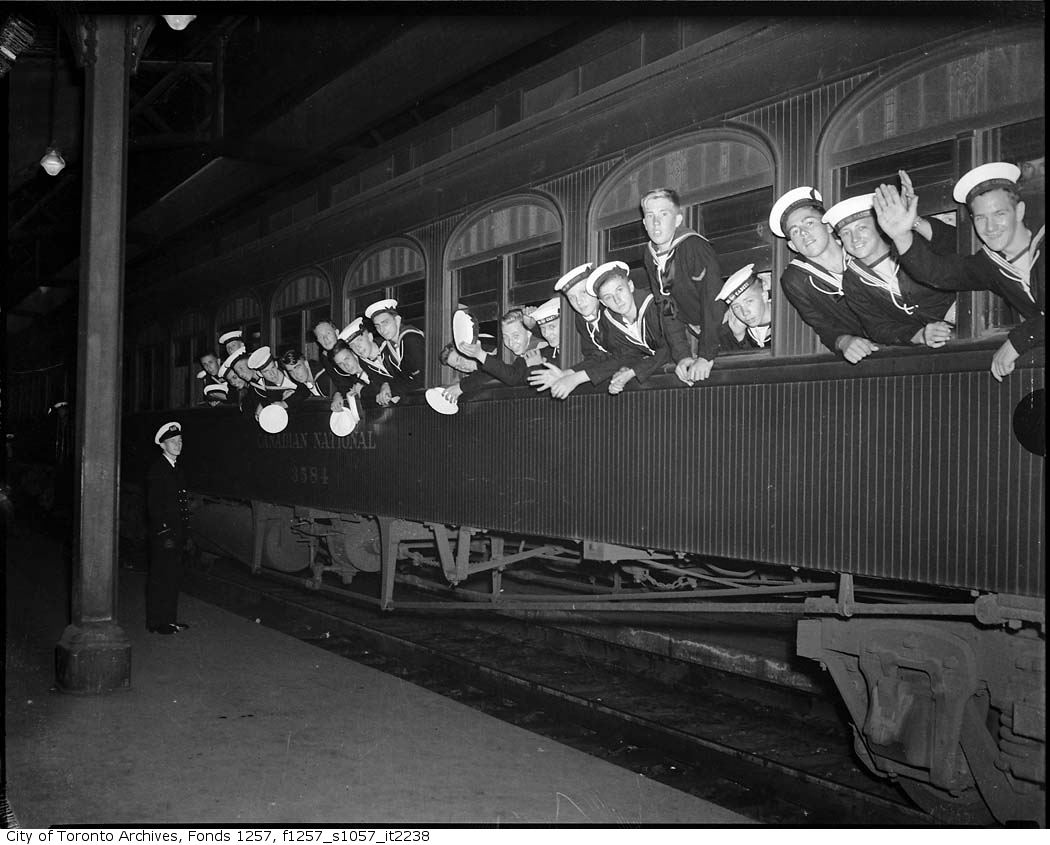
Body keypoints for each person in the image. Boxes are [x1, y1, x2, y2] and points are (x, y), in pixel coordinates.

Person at [874, 162, 1045, 381]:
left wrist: (1016, 341)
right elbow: (936, 273)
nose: (990, 228)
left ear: (1019, 211)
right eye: (981, 218)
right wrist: (901, 234)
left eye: (999, 214)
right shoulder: (991, 264)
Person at [823, 191, 957, 349]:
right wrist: (919, 335)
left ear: (879, 227)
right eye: (846, 233)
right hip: (938, 343)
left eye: (861, 228)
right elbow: (878, 327)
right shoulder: (852, 281)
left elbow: (959, 246)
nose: (855, 238)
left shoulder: (912, 241)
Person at [770, 186, 878, 364]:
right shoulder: (795, 280)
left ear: (828, 226)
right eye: (795, 231)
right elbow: (822, 325)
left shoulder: (861, 245)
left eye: (809, 223)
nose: (804, 233)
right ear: (793, 246)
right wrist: (845, 342)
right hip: (870, 354)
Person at [640, 187, 725, 383]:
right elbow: (666, 306)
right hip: (694, 333)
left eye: (664, 214)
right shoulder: (650, 254)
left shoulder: (693, 246)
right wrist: (682, 355)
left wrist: (706, 355)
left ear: (678, 220)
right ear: (644, 223)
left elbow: (713, 300)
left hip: (723, 329)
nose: (656, 222)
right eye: (650, 216)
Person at [529, 262, 623, 399]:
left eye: (583, 292)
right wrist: (566, 374)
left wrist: (575, 379)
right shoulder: (582, 320)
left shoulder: (614, 313)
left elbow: (624, 356)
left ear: (595, 290)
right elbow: (596, 357)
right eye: (572, 298)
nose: (579, 301)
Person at [588, 261, 675, 394]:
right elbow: (629, 354)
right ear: (603, 303)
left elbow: (669, 346)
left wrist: (633, 372)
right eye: (608, 297)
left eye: (620, 290)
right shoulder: (612, 322)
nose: (617, 300)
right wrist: (623, 370)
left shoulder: (656, 306)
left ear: (631, 286)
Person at [145, 422, 191, 635]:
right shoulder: (158, 470)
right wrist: (165, 533)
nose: (178, 445)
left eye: (180, 441)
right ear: (163, 445)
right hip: (165, 534)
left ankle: (169, 620)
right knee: (161, 577)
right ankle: (157, 622)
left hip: (176, 533)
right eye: (173, 442)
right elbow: (155, 506)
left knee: (172, 577)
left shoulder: (176, 468)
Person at [456, 308, 557, 387]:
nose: (511, 342)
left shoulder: (539, 347)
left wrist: (480, 354)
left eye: (516, 336)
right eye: (506, 337)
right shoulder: (513, 352)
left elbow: (512, 376)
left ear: (529, 332)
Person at [339, 317, 403, 406]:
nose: (358, 348)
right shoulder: (364, 362)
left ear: (370, 337)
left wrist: (388, 385)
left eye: (359, 341)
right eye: (352, 345)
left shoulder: (390, 346)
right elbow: (377, 386)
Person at [364, 298, 425, 389]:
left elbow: (420, 379)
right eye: (377, 326)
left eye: (385, 323)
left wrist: (391, 387)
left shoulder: (410, 338)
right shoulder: (389, 346)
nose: (382, 330)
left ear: (397, 320)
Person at [715, 264, 773, 350]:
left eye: (749, 301)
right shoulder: (735, 331)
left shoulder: (788, 317)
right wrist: (739, 338)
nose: (745, 312)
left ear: (764, 296)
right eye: (736, 307)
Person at [437, 341, 501, 405]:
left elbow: (494, 369)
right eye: (457, 367)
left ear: (466, 351)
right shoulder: (472, 383)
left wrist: (461, 387)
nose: (461, 366)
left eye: (459, 359)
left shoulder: (491, 348)